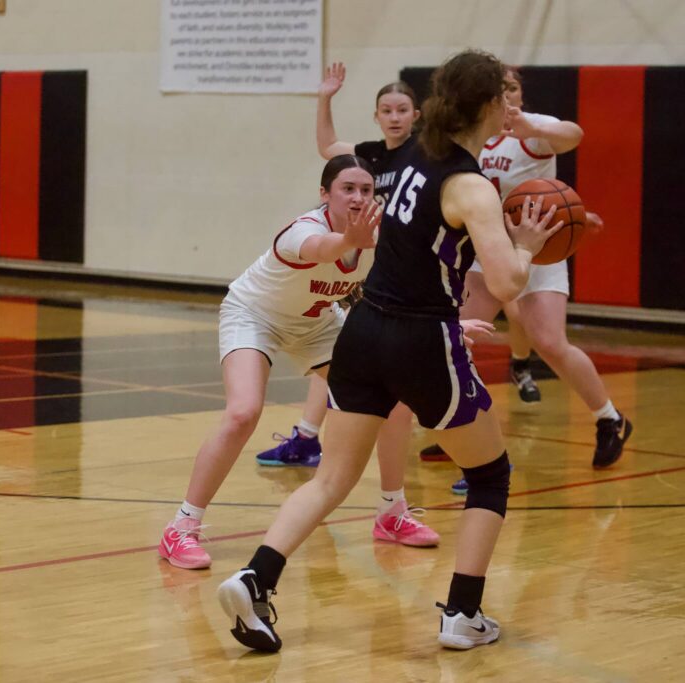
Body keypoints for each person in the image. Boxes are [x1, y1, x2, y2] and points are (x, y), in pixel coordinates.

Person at [217, 49, 563, 653]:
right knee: (490, 475)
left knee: (331, 479)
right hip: (421, 336)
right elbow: (507, 283)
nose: (511, 107)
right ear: (486, 106)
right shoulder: (470, 184)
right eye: (504, 99)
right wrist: (528, 243)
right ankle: (463, 614)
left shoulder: (403, 158)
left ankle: (256, 577)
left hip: (364, 329)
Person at [159, 154, 412, 571]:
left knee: (394, 402)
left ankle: (391, 513)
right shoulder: (304, 231)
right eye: (347, 189)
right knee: (243, 412)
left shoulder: (380, 238)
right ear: (324, 195)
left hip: (316, 322)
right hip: (254, 315)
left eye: (366, 190)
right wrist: (353, 240)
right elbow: (326, 249)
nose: (358, 197)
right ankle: (181, 527)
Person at [255, 64, 452, 547]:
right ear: (378, 116)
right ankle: (333, 459)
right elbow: (328, 148)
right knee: (360, 371)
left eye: (402, 109)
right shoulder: (367, 159)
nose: (393, 116)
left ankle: (386, 494)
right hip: (356, 269)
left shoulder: (425, 157)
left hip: (391, 271)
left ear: (417, 115)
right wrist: (324, 97)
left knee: (385, 387)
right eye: (385, 110)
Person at [420, 67, 633, 487]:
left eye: (513, 89)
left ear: (520, 94)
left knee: (550, 342)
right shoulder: (474, 138)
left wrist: (528, 125)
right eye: (499, 92)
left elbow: (573, 135)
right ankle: (463, 431)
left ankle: (610, 419)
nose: (508, 98)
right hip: (487, 249)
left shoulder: (534, 131)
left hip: (540, 248)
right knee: (458, 340)